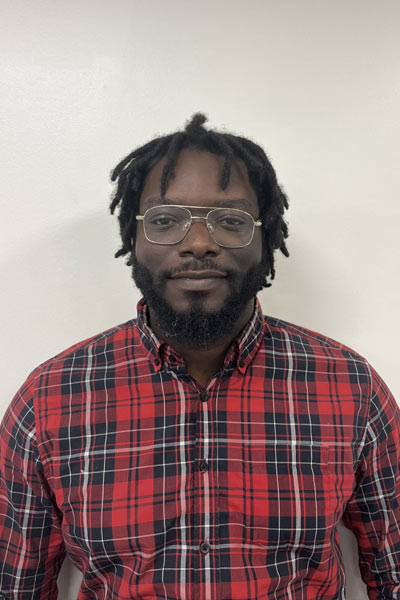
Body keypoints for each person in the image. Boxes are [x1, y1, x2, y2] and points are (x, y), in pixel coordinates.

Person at [0, 113, 399, 600]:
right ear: (134, 236)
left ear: (265, 237)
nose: (198, 243)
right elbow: (14, 584)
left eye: (230, 220)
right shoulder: (50, 398)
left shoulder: (351, 388)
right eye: (166, 220)